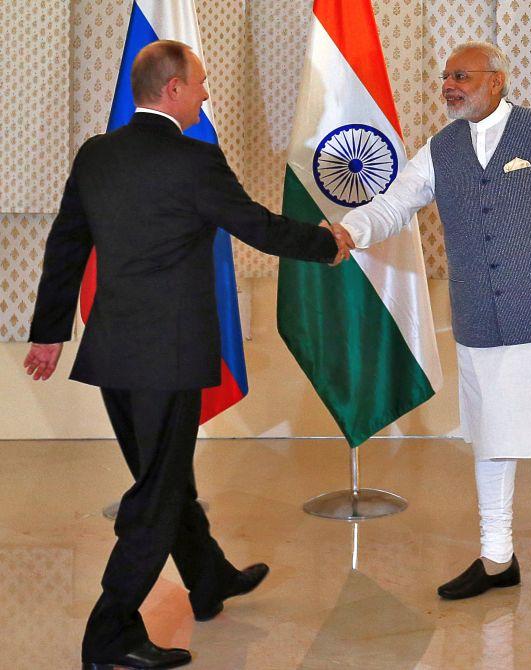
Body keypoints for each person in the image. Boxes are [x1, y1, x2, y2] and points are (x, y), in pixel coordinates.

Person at [25, 40, 349, 670]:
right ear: (171, 88)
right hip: (166, 358)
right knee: (158, 495)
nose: (205, 93)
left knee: (163, 478)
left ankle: (208, 579)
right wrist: (326, 243)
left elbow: (66, 244)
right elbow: (255, 224)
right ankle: (110, 635)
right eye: (200, 83)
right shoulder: (194, 159)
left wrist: (49, 332)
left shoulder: (97, 155)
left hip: (115, 355)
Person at [334, 41, 531, 606]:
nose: (450, 85)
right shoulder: (439, 149)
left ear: (497, 82)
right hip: (481, 322)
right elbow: (394, 204)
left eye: (463, 76)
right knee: (491, 441)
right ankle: (497, 557)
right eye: (447, 76)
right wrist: (348, 232)